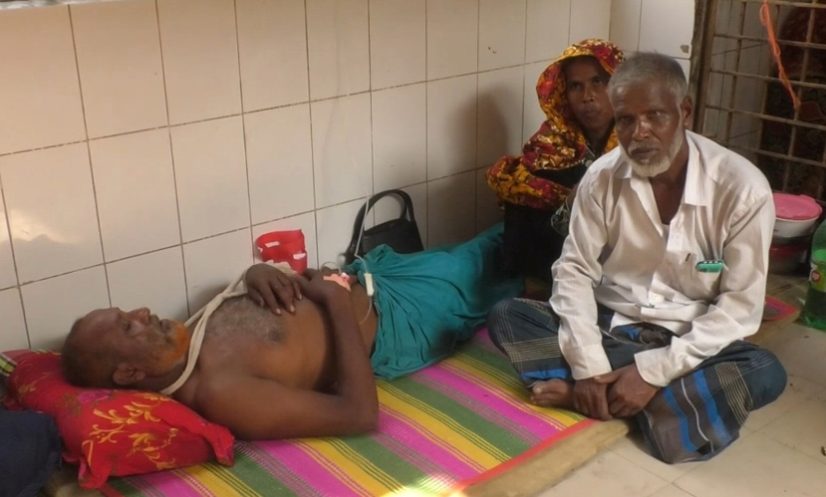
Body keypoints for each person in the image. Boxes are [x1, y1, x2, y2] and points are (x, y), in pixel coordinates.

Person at [487, 52, 787, 463]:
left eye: (655, 116)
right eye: (626, 120)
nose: (639, 134)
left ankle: (585, 397)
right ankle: (660, 410)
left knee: (764, 371)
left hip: (688, 339)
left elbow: (739, 309)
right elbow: (574, 270)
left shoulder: (742, 190)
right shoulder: (602, 177)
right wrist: (590, 364)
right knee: (508, 315)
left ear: (684, 112)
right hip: (611, 325)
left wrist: (652, 372)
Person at [61, 225, 522, 440]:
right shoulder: (222, 394)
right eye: (128, 325)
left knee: (506, 235)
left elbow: (261, 320)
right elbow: (359, 415)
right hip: (396, 320)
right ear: (128, 374)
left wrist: (257, 272)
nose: (142, 311)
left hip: (374, 277)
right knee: (512, 249)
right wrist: (335, 301)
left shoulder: (186, 338)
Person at [486, 39, 623, 285]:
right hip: (556, 266)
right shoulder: (548, 147)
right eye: (576, 86)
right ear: (564, 94)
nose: (588, 97)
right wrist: (570, 204)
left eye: (598, 82)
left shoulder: (638, 142)